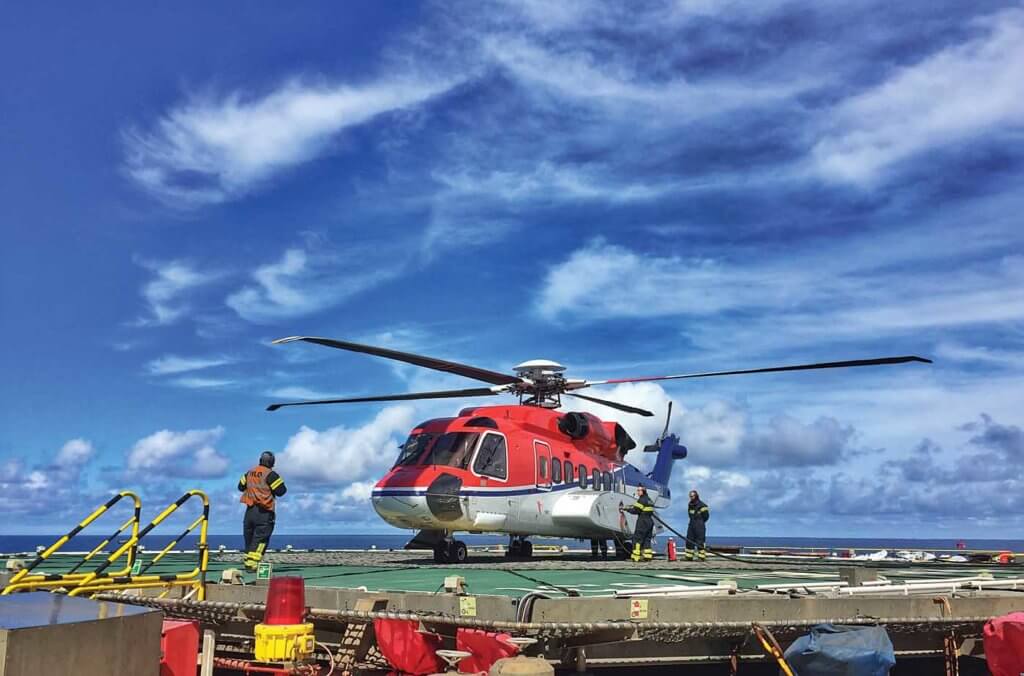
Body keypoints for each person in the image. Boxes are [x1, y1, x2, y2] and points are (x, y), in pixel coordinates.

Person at [238, 451, 287, 572]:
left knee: (249, 539)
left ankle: (248, 563)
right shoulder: (271, 475)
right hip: (264, 512)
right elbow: (281, 491)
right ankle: (253, 564)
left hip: (249, 512)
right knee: (261, 539)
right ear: (272, 462)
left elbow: (240, 487)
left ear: (260, 460)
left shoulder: (249, 473)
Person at [622, 486, 655, 562]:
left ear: (643, 491)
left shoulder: (641, 500)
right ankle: (647, 556)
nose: (637, 492)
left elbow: (636, 510)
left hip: (643, 521)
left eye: (639, 490)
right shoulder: (649, 500)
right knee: (647, 539)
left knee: (637, 539)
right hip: (650, 521)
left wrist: (627, 509)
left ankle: (636, 557)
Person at [685, 489, 710, 561]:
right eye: (690, 496)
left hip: (699, 525)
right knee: (689, 540)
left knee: (700, 541)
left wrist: (700, 522)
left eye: (692, 496)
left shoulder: (702, 505)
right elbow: (690, 514)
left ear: (696, 496)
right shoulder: (690, 505)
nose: (691, 497)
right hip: (691, 524)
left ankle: (701, 557)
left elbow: (706, 516)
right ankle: (689, 557)